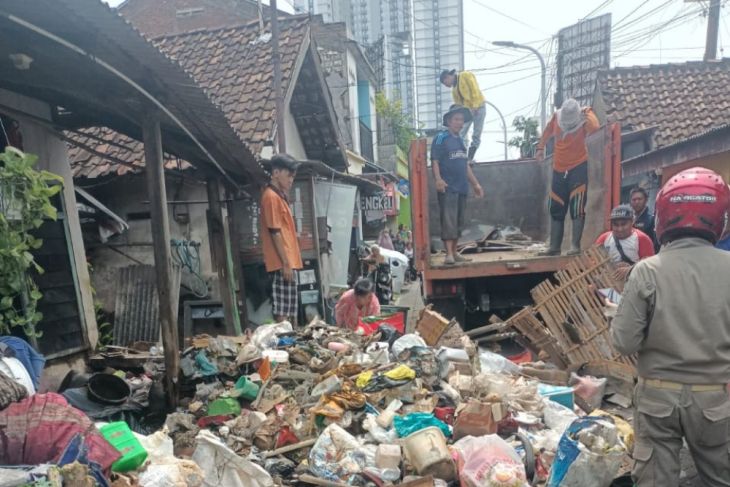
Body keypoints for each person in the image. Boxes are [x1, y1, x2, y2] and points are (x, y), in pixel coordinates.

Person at [611, 167, 730, 486]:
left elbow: (623, 342)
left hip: (657, 398)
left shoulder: (646, 271)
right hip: (715, 400)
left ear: (663, 215)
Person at [536, 98, 600, 256]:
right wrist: (540, 148)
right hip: (559, 168)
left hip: (578, 166)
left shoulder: (585, 117)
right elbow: (546, 132)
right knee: (556, 206)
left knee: (577, 207)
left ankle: (575, 246)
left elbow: (595, 128)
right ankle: (554, 247)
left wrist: (588, 113)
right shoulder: (557, 117)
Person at [431, 104, 484, 265]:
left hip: (462, 188)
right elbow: (435, 160)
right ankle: (448, 254)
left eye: (461, 120)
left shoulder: (461, 141)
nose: (459, 123)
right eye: (456, 119)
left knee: (459, 221)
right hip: (448, 188)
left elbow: (465, 165)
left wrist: (476, 184)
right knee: (449, 220)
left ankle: (454, 252)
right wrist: (438, 179)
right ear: (448, 121)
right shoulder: (441, 138)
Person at [260, 154, 302, 324]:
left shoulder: (279, 197)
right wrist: (285, 263)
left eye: (293, 176)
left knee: (289, 308)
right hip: (281, 263)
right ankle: (283, 345)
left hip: (289, 261)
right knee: (283, 310)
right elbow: (274, 231)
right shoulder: (271, 197)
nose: (291, 180)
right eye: (289, 175)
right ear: (276, 173)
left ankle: (288, 341)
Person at [595, 204, 655, 281]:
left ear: (632, 221)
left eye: (623, 224)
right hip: (609, 285)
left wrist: (630, 270)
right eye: (616, 225)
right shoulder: (604, 239)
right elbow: (594, 264)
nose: (620, 229)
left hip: (634, 285)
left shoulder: (641, 239)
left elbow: (650, 266)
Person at [439, 69, 486, 162]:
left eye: (445, 83)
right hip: (467, 112)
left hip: (479, 107)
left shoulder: (465, 75)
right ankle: (462, 155)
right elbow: (459, 106)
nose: (447, 86)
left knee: (477, 133)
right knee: (460, 132)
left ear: (448, 77)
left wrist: (475, 105)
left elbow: (474, 89)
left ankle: (470, 157)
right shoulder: (454, 91)